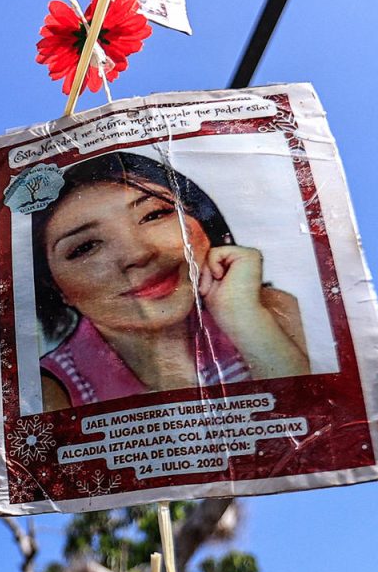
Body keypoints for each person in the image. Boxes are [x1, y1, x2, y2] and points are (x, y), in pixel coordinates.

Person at [31, 152, 310, 411]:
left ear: (201, 220)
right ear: (56, 287)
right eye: (86, 247)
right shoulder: (49, 391)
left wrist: (245, 320)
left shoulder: (271, 312)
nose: (138, 255)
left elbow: (323, 435)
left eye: (154, 215)